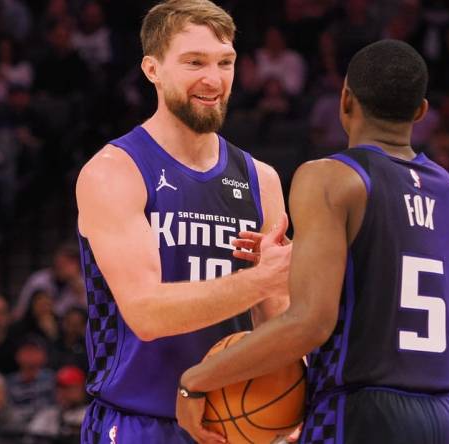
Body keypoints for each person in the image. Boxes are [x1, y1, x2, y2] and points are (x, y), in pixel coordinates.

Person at [176, 39, 449, 444]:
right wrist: (299, 263)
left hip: (362, 413)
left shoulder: (330, 177)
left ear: (345, 99)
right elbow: (389, 272)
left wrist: (196, 381)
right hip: (446, 419)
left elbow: (311, 323)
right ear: (421, 111)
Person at [74, 0, 291, 442]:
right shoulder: (115, 171)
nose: (213, 79)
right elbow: (147, 315)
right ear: (152, 70)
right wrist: (264, 280)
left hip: (232, 421)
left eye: (225, 62)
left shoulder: (261, 180)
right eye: (195, 62)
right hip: (138, 420)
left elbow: (276, 318)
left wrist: (290, 399)